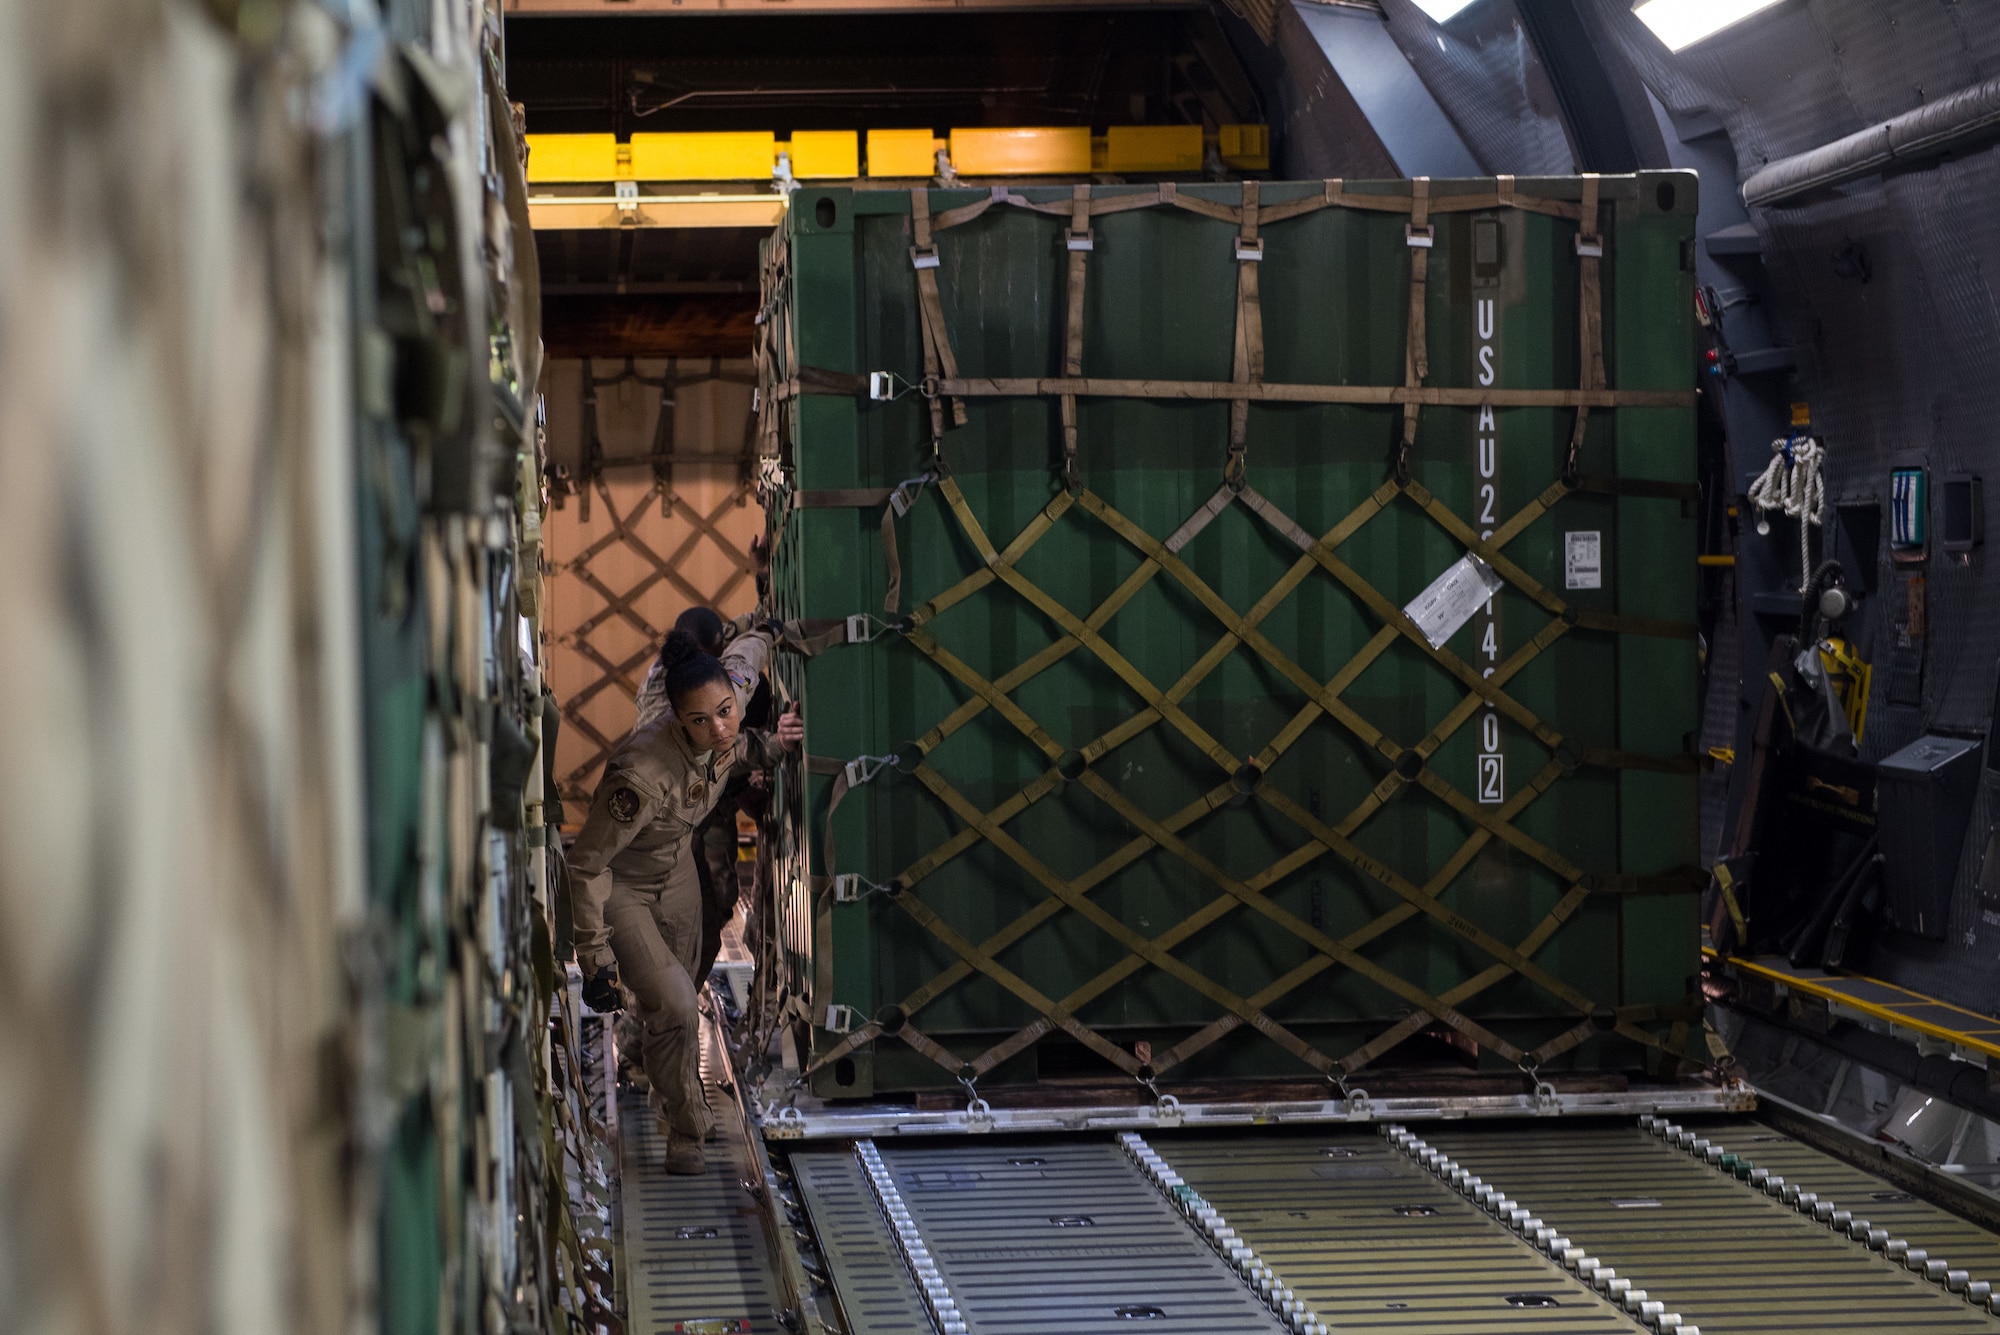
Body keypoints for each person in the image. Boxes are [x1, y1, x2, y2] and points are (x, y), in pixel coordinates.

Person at [568, 629, 803, 1174]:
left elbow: (749, 650)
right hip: (624, 889)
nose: (718, 727)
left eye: (725, 711)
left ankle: (662, 1081)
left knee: (680, 993)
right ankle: (687, 1128)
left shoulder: (732, 697)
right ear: (676, 719)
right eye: (701, 721)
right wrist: (593, 953)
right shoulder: (641, 775)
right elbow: (586, 865)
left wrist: (777, 739)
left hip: (678, 878)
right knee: (673, 1003)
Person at [633, 606, 775, 993]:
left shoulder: (693, 655)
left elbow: (740, 626)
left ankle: (672, 1006)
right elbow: (713, 749)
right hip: (673, 821)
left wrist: (764, 573)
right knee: (684, 923)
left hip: (705, 807)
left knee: (718, 903)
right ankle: (652, 1025)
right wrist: (775, 746)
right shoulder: (665, 701)